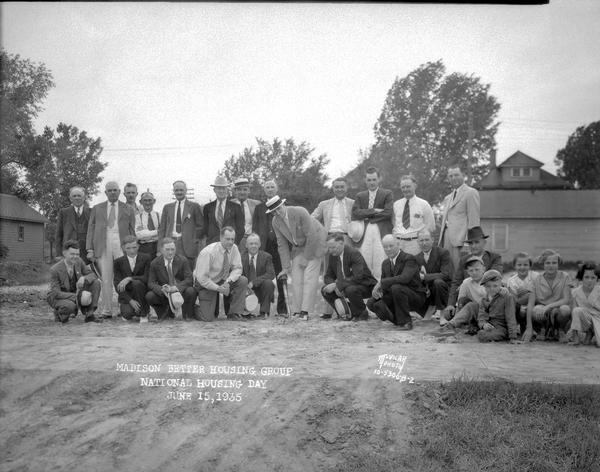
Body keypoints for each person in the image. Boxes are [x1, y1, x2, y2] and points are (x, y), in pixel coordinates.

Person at [267, 195, 327, 320]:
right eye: (274, 211)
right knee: (296, 278)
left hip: (316, 241)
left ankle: (305, 312)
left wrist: (307, 258)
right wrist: (285, 267)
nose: (278, 212)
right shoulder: (275, 222)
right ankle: (296, 311)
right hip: (299, 247)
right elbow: (282, 245)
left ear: (283, 204)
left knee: (309, 277)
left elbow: (312, 235)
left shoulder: (300, 211)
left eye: (279, 208)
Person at [86, 181, 136, 318]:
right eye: (110, 190)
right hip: (103, 244)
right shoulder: (97, 208)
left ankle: (124, 308)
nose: (113, 192)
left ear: (120, 192)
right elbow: (90, 229)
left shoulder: (128, 209)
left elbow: (132, 230)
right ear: (106, 192)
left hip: (122, 244)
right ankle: (107, 310)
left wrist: (132, 248)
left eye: (115, 190)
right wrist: (89, 249)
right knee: (106, 278)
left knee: (123, 277)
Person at [366, 234, 426, 330]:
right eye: (385, 247)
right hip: (396, 295)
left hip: (415, 296)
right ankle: (397, 320)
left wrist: (381, 283)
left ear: (398, 244)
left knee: (396, 287)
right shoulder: (385, 263)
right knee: (371, 302)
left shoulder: (409, 258)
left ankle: (406, 322)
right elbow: (385, 285)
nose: (388, 249)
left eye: (391, 246)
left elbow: (404, 278)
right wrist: (379, 293)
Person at [445, 226, 502, 320]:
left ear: (484, 242)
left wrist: (471, 280)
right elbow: (456, 282)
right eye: (470, 243)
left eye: (477, 242)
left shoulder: (494, 258)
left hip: (488, 298)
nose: (473, 246)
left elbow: (495, 276)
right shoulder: (464, 260)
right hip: (470, 298)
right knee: (455, 308)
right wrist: (450, 304)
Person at [194, 226, 248, 321]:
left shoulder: (234, 248)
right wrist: (218, 288)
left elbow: (238, 269)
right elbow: (202, 279)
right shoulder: (208, 252)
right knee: (209, 318)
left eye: (232, 239)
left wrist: (228, 281)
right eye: (227, 239)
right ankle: (196, 307)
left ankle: (234, 313)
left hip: (222, 280)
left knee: (242, 280)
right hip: (206, 283)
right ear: (221, 238)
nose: (231, 242)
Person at [321, 233, 377, 321]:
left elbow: (358, 277)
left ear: (341, 243)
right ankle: (346, 313)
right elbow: (327, 276)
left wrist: (337, 285)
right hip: (346, 285)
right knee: (325, 290)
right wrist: (333, 285)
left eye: (333, 247)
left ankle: (361, 313)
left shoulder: (354, 253)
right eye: (329, 248)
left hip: (365, 286)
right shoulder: (333, 256)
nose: (330, 250)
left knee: (350, 289)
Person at [351, 166, 393, 281]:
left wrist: (368, 217)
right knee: (365, 258)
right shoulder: (360, 196)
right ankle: (367, 290)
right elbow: (355, 213)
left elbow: (388, 213)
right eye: (369, 180)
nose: (372, 182)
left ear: (379, 179)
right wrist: (373, 211)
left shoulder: (387, 194)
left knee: (380, 259)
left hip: (381, 231)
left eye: (374, 179)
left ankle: (380, 288)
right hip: (365, 232)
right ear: (365, 180)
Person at [252, 179, 287, 315]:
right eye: (267, 187)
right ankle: (264, 309)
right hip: (264, 248)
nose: (270, 189)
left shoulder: (283, 206)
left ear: (276, 189)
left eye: (272, 187)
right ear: (264, 190)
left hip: (279, 247)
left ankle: (282, 309)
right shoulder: (259, 208)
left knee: (281, 278)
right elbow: (255, 227)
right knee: (265, 279)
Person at [522, 249, 572, 342]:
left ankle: (560, 330)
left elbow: (566, 299)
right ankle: (543, 329)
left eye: (554, 263)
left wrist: (549, 306)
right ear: (543, 264)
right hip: (543, 313)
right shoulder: (536, 279)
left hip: (558, 310)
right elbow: (530, 305)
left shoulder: (565, 276)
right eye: (548, 263)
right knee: (536, 309)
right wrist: (529, 328)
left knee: (565, 309)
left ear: (558, 263)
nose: (551, 266)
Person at [47, 240, 101, 323]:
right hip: (59, 297)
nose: (75, 256)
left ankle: (89, 315)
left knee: (96, 283)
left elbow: (93, 275)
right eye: (72, 254)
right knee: (70, 306)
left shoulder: (79, 261)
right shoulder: (55, 270)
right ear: (64, 253)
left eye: (77, 254)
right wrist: (77, 297)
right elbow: (55, 293)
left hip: (74, 293)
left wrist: (84, 278)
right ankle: (59, 313)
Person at [438, 165, 480, 271]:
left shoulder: (471, 193)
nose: (453, 178)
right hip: (446, 239)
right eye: (451, 176)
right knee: (449, 271)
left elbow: (474, 220)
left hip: (461, 240)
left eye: (456, 175)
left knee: (461, 271)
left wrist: (469, 243)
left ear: (463, 175)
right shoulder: (448, 198)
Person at [146, 237, 197, 321]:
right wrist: (162, 289)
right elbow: (151, 283)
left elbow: (189, 279)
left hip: (179, 290)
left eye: (172, 249)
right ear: (161, 250)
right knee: (150, 296)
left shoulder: (182, 260)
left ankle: (187, 314)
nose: (170, 252)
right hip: (165, 293)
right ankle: (164, 314)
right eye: (167, 249)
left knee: (191, 291)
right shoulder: (154, 263)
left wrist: (176, 287)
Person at [158, 180, 204, 269]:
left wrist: (194, 240)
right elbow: (162, 229)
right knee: (171, 271)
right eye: (176, 190)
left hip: (188, 246)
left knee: (188, 272)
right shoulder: (167, 207)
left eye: (181, 190)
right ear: (174, 192)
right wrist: (160, 248)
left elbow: (200, 226)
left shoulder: (194, 206)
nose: (179, 192)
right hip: (170, 243)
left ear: (186, 191)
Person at [438, 256, 487, 332]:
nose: (474, 273)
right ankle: (455, 324)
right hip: (475, 312)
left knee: (471, 305)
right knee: (458, 307)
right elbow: (461, 302)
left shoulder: (489, 281)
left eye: (477, 269)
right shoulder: (466, 282)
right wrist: (456, 316)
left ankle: (452, 325)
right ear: (467, 272)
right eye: (471, 270)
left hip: (488, 311)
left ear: (484, 269)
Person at [392, 175, 435, 256]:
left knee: (415, 268)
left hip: (415, 245)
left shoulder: (424, 205)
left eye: (408, 186)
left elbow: (430, 226)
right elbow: (394, 224)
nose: (405, 189)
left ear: (415, 186)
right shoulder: (396, 205)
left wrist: (423, 242)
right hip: (399, 245)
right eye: (403, 187)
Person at [415, 229, 453, 320]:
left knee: (438, 282)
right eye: (421, 240)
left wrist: (425, 277)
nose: (424, 243)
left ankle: (442, 313)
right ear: (417, 242)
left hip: (443, 289)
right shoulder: (416, 258)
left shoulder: (443, 253)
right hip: (428, 291)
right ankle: (430, 308)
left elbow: (446, 274)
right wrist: (424, 286)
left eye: (427, 240)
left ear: (433, 240)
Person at [113, 236, 152, 322]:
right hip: (127, 295)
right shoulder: (117, 262)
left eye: (134, 247)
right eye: (128, 248)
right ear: (123, 248)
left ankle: (144, 314)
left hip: (142, 292)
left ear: (138, 246)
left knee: (136, 283)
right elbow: (117, 284)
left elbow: (146, 278)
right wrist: (130, 301)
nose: (132, 251)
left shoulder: (146, 258)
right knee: (127, 314)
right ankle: (131, 309)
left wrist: (130, 278)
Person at [476, 270, 519, 343]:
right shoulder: (484, 299)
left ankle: (508, 335)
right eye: (488, 286)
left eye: (495, 286)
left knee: (483, 335)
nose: (492, 289)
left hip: (502, 326)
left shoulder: (507, 297)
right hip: (491, 325)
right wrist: (484, 324)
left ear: (501, 284)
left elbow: (510, 317)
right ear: (484, 286)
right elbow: (481, 316)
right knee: (481, 334)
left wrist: (513, 337)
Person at [203, 175, 244, 246]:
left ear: (227, 190)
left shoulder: (236, 207)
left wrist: (234, 242)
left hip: (230, 245)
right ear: (214, 190)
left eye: (223, 188)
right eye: (219, 188)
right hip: (212, 244)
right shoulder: (208, 207)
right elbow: (205, 228)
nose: (221, 191)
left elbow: (241, 229)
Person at [242, 233, 275, 319]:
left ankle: (264, 313)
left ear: (260, 244)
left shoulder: (267, 257)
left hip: (260, 288)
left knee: (269, 283)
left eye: (256, 243)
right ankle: (242, 312)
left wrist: (254, 282)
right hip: (245, 289)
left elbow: (271, 274)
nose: (253, 246)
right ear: (246, 245)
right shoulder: (241, 257)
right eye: (251, 243)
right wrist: (246, 286)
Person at [311, 177, 354, 244]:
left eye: (342, 187)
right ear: (333, 188)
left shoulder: (353, 203)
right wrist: (319, 231)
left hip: (347, 237)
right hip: (329, 237)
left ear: (346, 188)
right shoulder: (324, 204)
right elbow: (312, 219)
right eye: (337, 187)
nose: (339, 189)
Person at [55, 186, 91, 264]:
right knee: (70, 275)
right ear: (70, 198)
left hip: (87, 254)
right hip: (69, 252)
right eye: (74, 196)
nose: (77, 198)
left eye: (79, 196)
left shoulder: (91, 212)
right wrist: (58, 254)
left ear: (84, 197)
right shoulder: (64, 212)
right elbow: (59, 235)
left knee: (86, 274)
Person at [567, 263, 600, 347]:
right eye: (586, 277)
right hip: (586, 320)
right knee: (576, 310)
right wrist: (575, 337)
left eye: (593, 278)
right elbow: (573, 314)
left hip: (598, 319)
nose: (589, 280)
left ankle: (592, 334)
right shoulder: (575, 292)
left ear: (597, 279)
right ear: (581, 278)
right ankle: (587, 334)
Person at [506, 252, 539, 334]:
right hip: (519, 306)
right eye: (519, 265)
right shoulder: (512, 280)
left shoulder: (536, 276)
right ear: (514, 266)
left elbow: (540, 293)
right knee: (514, 306)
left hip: (535, 303)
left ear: (530, 266)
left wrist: (528, 291)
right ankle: (519, 327)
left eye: (525, 265)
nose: (522, 267)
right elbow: (514, 299)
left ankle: (539, 328)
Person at [231, 178, 261, 250]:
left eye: (245, 189)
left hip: (252, 240)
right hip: (234, 240)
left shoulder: (257, 204)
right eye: (239, 189)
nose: (242, 192)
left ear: (249, 191)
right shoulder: (229, 205)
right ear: (235, 191)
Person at [135, 191, 160, 257]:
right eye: (145, 200)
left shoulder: (159, 216)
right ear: (141, 202)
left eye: (150, 200)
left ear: (154, 201)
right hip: (144, 248)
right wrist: (157, 231)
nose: (147, 203)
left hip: (157, 247)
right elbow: (139, 235)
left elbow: (163, 232)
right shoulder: (137, 217)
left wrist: (146, 233)